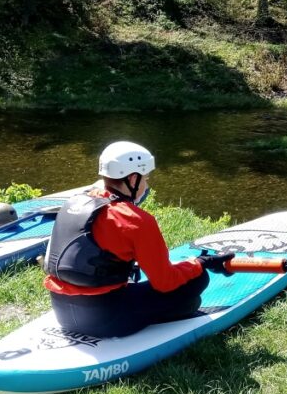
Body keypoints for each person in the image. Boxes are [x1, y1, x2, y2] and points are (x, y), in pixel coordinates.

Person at [42, 141, 233, 338]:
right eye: (146, 179)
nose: (147, 185)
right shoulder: (137, 220)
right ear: (133, 179)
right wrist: (201, 263)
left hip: (61, 309)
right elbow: (165, 282)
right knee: (197, 280)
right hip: (107, 319)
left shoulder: (74, 202)